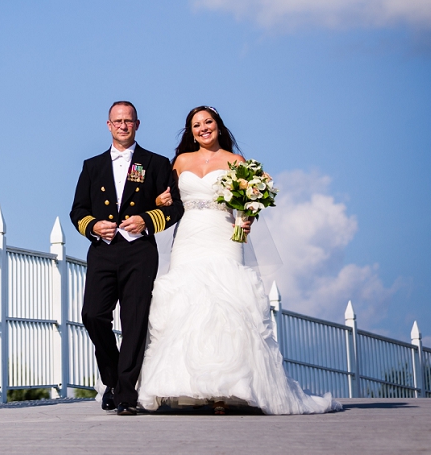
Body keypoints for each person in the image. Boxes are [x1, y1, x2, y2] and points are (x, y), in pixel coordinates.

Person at [137, 106, 341, 414]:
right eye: (196, 125)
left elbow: (248, 203)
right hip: (189, 235)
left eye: (208, 122)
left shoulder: (235, 162)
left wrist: (246, 221)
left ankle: (223, 391)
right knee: (187, 303)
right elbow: (165, 198)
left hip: (222, 235)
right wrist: (159, 200)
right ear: (190, 131)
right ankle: (190, 387)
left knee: (225, 303)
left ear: (218, 126)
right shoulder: (180, 162)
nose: (203, 128)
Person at [70, 101, 184, 415]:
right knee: (93, 315)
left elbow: (175, 208)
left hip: (140, 252)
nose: (123, 126)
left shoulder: (157, 163)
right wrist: (93, 225)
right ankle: (111, 378)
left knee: (134, 320)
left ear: (137, 124)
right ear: (108, 125)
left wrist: (148, 219)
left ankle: (126, 394)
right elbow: (77, 210)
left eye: (128, 121)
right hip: (103, 251)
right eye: (117, 121)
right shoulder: (91, 166)